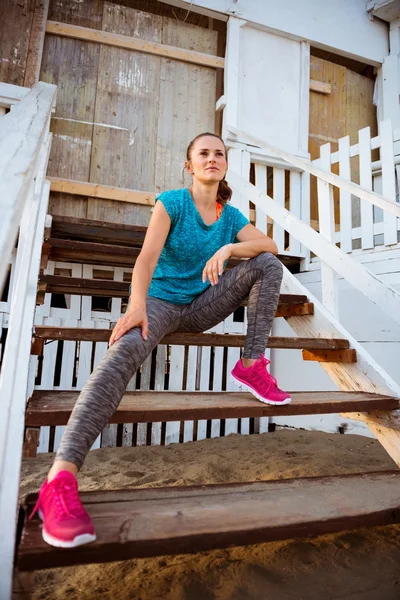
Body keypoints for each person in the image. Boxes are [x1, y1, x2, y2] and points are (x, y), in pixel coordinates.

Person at [31, 132, 291, 548]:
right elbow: (146, 259)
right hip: (159, 303)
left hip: (203, 305)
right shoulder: (173, 202)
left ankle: (250, 364)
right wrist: (136, 306)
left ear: (225, 165)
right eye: (203, 154)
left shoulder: (230, 216)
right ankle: (60, 479)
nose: (212, 159)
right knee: (119, 358)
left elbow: (270, 245)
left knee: (267, 263)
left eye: (218, 154)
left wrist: (228, 249)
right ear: (189, 165)